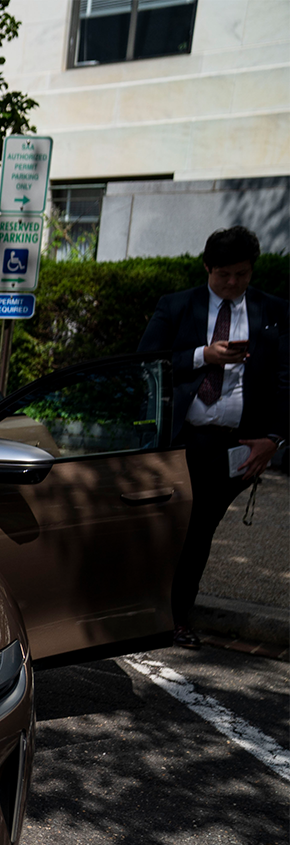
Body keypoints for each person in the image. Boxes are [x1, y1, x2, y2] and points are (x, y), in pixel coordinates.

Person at [138, 226, 288, 648]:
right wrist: (205, 355)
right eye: (225, 275)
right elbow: (146, 361)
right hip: (184, 438)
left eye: (243, 274)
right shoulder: (178, 306)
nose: (234, 284)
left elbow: (286, 380)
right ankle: (159, 614)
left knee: (199, 530)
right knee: (175, 529)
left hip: (239, 445)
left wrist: (274, 438)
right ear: (208, 268)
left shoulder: (273, 311)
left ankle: (176, 616)